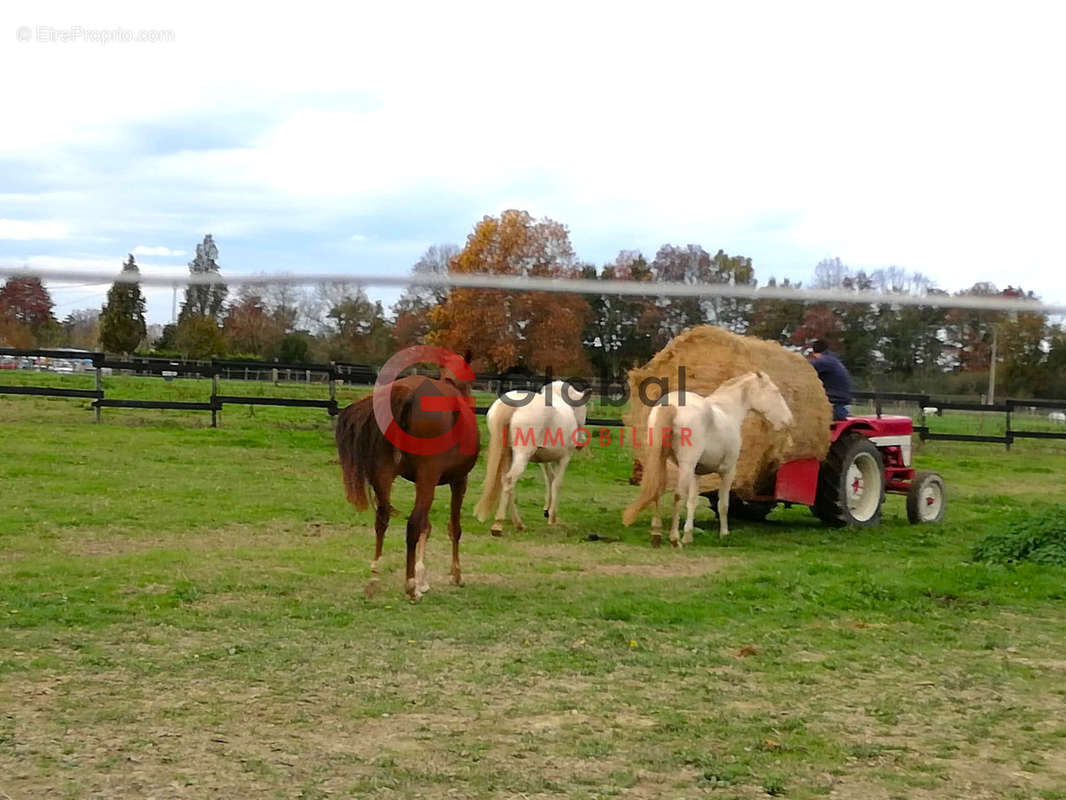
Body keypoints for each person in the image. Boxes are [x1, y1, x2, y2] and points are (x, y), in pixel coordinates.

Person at [808, 339, 852, 421]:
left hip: (835, 407)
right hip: (840, 405)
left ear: (814, 353)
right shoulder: (833, 360)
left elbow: (801, 369)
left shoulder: (823, 362)